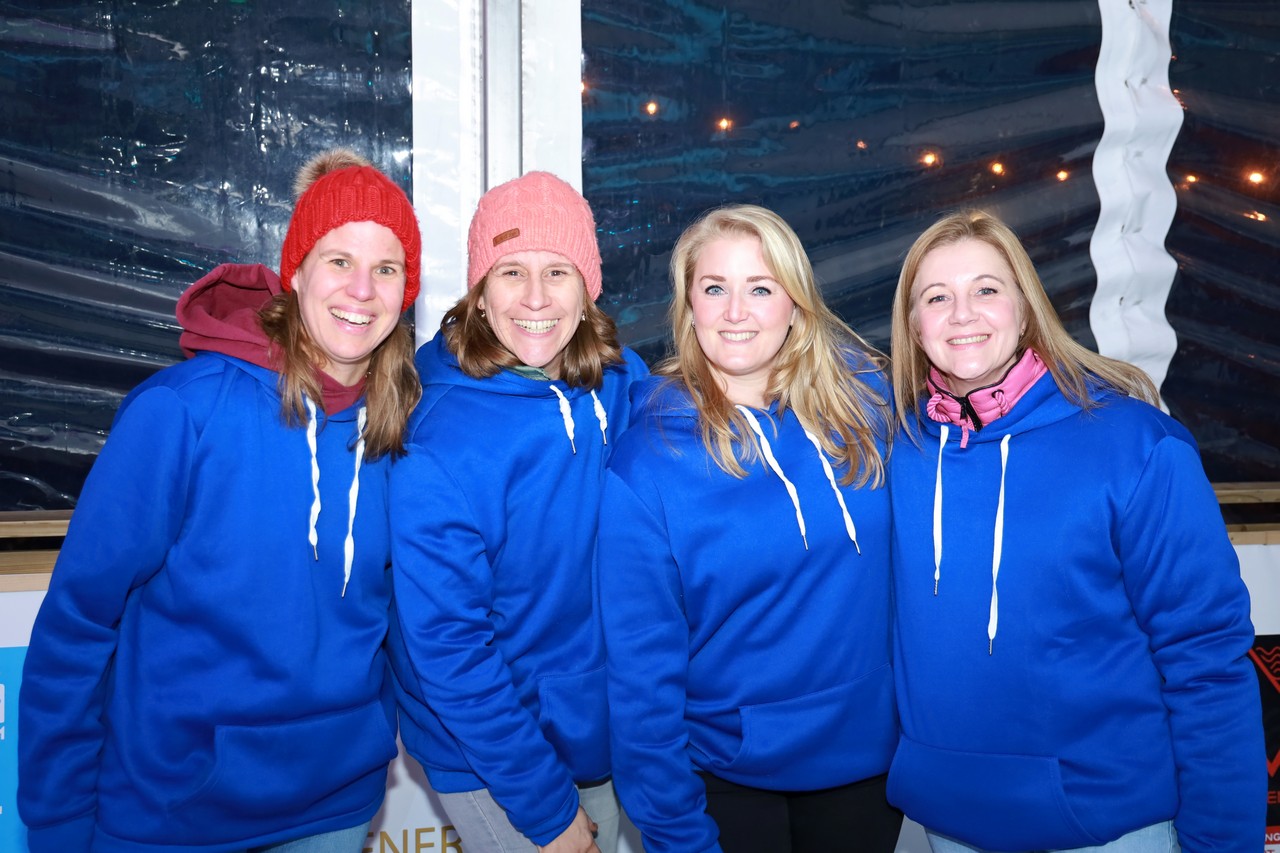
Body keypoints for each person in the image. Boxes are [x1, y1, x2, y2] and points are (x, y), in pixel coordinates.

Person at [18, 148, 422, 852]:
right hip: (174, 814)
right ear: (295, 271)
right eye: (339, 260)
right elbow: (78, 619)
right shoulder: (182, 411)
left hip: (335, 805)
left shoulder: (401, 426)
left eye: (385, 268)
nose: (362, 290)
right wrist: (56, 820)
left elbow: (398, 621)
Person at [885, 209, 1264, 853]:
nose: (962, 314)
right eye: (937, 297)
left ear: (1025, 309)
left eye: (986, 289)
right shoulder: (896, 449)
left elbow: (1205, 659)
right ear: (913, 324)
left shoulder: (1136, 445)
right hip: (943, 824)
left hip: (1106, 827)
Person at [598, 204, 902, 853]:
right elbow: (640, 676)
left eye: (760, 288)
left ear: (795, 303)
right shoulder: (647, 463)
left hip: (869, 765)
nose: (736, 311)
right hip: (727, 776)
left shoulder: (866, 403)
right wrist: (673, 830)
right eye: (715, 288)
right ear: (689, 305)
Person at [387, 170, 649, 853]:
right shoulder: (439, 441)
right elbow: (449, 649)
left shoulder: (620, 382)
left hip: (602, 726)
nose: (536, 298)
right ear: (479, 293)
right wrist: (547, 811)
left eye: (557, 271)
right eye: (511, 273)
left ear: (587, 289)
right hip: (493, 751)